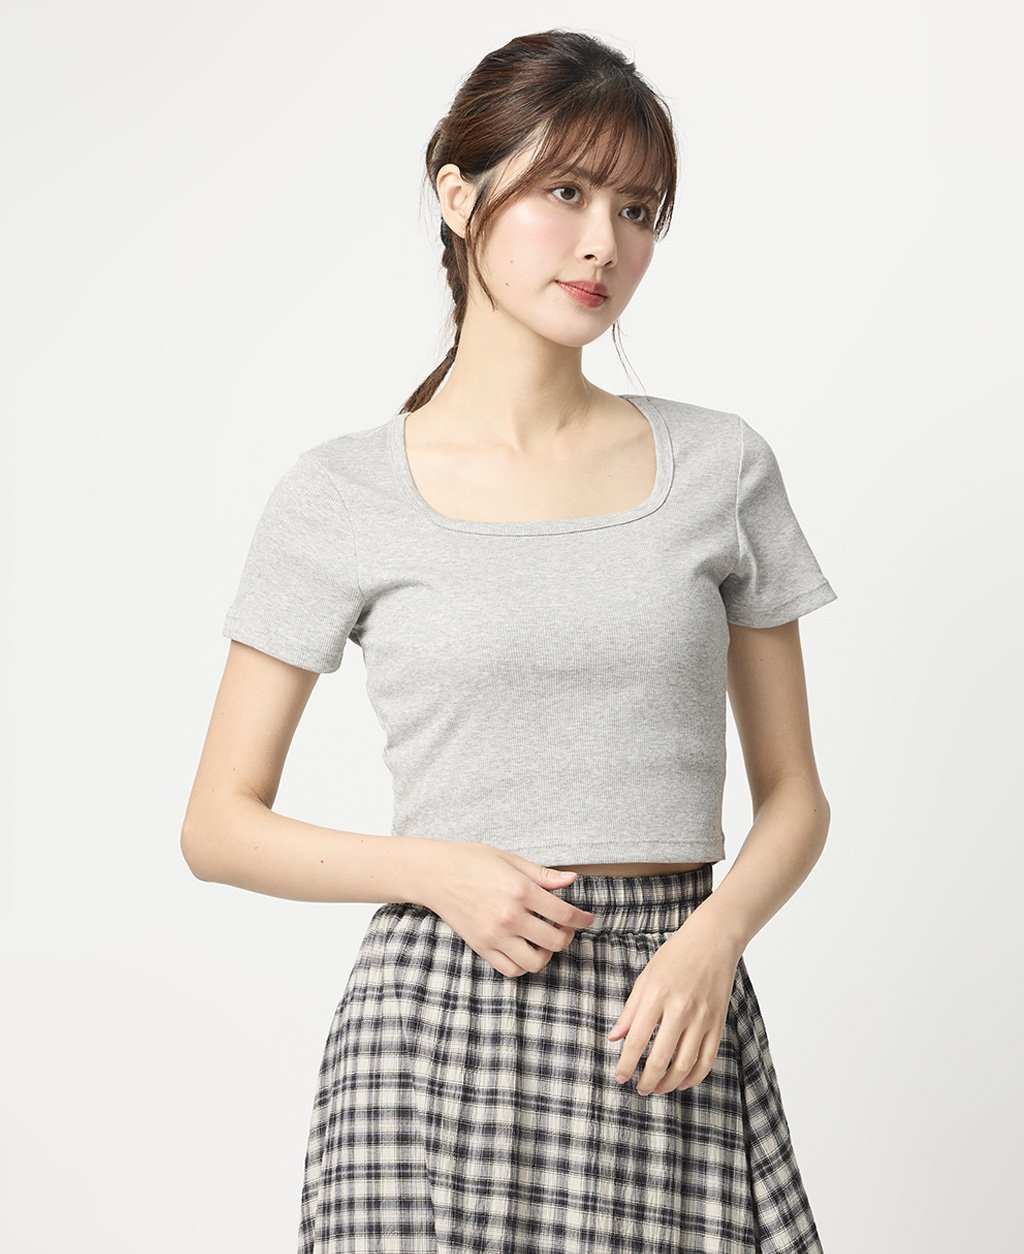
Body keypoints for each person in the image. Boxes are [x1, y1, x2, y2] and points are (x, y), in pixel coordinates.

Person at [181, 28, 836, 1254]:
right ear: (457, 195)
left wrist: (714, 939)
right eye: (564, 192)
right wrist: (437, 872)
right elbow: (217, 824)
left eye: (637, 210)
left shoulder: (720, 466)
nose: (603, 244)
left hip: (665, 1019)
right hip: (432, 1028)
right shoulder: (339, 494)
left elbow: (795, 797)